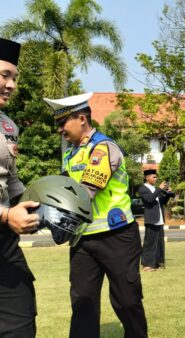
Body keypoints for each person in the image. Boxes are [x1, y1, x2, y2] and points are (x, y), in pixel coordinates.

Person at [44, 92, 148, 338]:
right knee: (82, 304)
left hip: (117, 236)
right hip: (83, 239)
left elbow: (86, 192)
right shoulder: (70, 154)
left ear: (82, 118)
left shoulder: (103, 147)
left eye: (62, 123)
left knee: (126, 301)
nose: (59, 129)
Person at [0, 37, 42, 338]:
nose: (12, 84)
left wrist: (42, 205)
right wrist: (5, 216)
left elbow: (11, 179)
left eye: (15, 77)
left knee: (21, 318)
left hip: (4, 241)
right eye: (4, 75)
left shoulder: (8, 126)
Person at [138, 169, 174, 271]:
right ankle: (147, 265)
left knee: (159, 242)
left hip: (159, 219)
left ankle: (157, 263)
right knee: (150, 242)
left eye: (156, 177)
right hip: (151, 219)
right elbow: (149, 199)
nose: (156, 178)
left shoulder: (155, 188)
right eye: (153, 177)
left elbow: (161, 202)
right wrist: (159, 189)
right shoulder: (142, 188)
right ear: (147, 177)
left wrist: (168, 193)